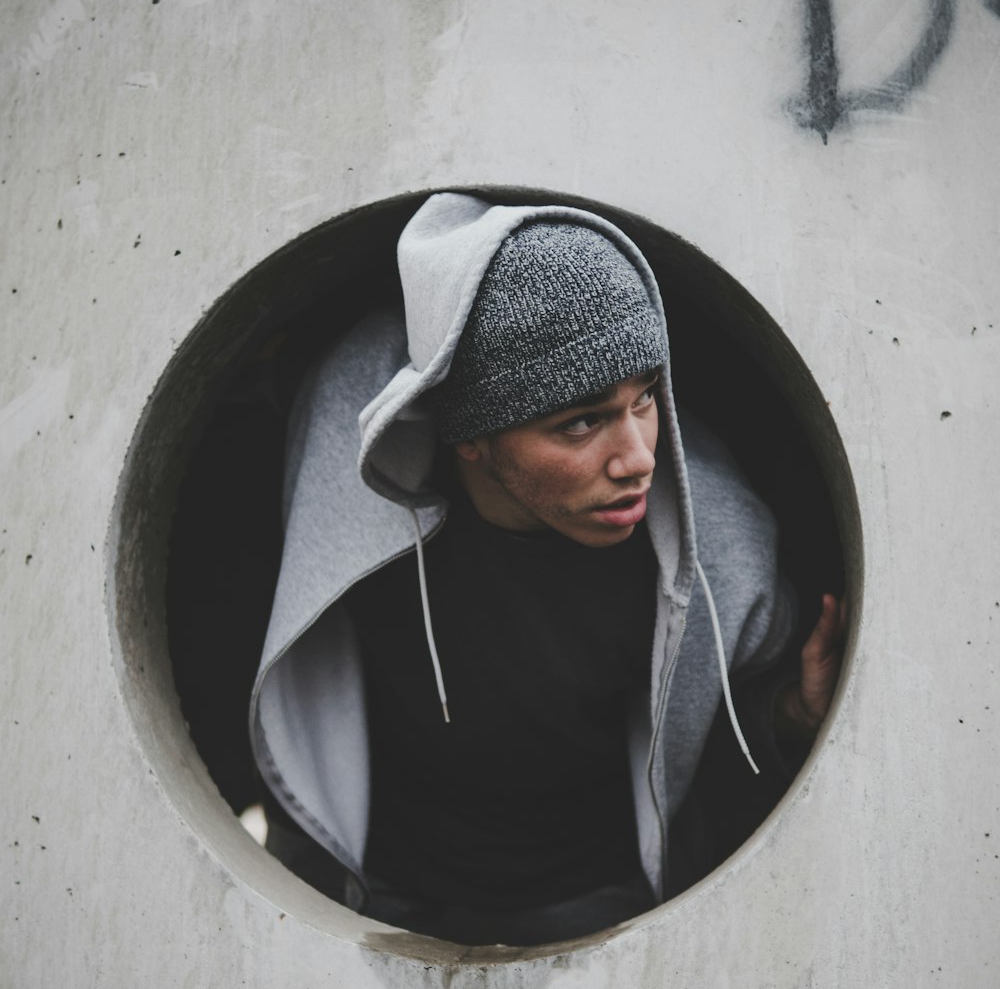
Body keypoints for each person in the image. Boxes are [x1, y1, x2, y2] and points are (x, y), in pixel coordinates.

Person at [250, 192, 844, 945]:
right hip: (378, 891)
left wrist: (793, 711)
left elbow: (707, 733)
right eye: (582, 422)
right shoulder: (351, 499)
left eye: (647, 399)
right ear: (471, 437)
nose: (638, 459)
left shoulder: (706, 543)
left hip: (602, 899)